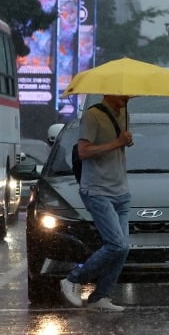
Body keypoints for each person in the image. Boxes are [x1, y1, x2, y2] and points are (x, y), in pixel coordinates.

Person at [59, 94, 134, 312]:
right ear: (109, 91)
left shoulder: (126, 114)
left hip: (121, 190)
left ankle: (100, 297)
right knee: (116, 244)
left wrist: (125, 142)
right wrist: (117, 142)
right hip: (97, 190)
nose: (127, 97)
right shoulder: (92, 116)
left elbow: (118, 149)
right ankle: (73, 280)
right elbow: (83, 151)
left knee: (123, 248)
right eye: (123, 93)